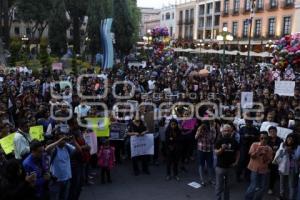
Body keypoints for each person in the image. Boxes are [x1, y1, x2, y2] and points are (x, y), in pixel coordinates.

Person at [45, 133, 76, 200]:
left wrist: (71, 140)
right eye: (61, 139)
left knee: (64, 197)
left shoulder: (67, 148)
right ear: (56, 140)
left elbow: (76, 150)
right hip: (56, 180)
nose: (63, 141)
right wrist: (60, 140)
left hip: (67, 179)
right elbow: (47, 149)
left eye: (64, 139)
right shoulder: (54, 150)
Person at [245, 132, 273, 200]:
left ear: (267, 139)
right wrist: (258, 151)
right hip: (254, 168)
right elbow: (251, 156)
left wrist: (265, 154)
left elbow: (267, 161)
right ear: (259, 138)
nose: (263, 140)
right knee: (253, 186)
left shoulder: (269, 148)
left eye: (265, 138)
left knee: (262, 187)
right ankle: (248, 198)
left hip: (263, 169)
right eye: (262, 138)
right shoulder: (254, 144)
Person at [214, 124, 240, 200]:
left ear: (231, 131)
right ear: (222, 131)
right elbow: (216, 153)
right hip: (220, 167)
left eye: (228, 130)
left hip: (230, 167)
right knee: (219, 186)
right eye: (225, 130)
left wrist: (236, 162)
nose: (226, 132)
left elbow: (238, 152)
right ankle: (218, 198)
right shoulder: (219, 140)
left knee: (227, 186)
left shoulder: (234, 141)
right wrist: (222, 149)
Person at [273, 134, 298, 200]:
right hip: (282, 166)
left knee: (291, 184)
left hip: (291, 168)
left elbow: (297, 158)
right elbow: (280, 154)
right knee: (282, 182)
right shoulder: (282, 144)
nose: (290, 140)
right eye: (288, 138)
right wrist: (284, 150)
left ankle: (291, 197)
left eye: (292, 139)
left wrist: (291, 152)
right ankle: (281, 196)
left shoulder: (298, 147)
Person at [267, 126, 282, 195]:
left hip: (275, 160)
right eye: (271, 132)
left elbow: (282, 150)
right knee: (263, 173)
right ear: (269, 133)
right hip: (266, 159)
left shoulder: (280, 140)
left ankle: (271, 188)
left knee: (273, 174)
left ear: (276, 132)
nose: (272, 133)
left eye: (274, 131)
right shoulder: (267, 139)